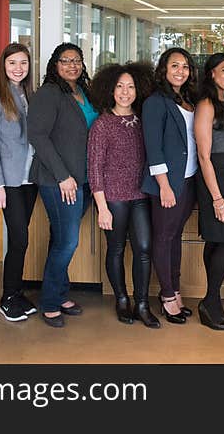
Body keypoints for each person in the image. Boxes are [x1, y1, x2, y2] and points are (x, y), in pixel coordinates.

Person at [28, 43, 98, 328]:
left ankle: (58, 292)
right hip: (60, 181)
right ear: (54, 64)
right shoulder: (49, 93)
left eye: (77, 60)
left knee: (61, 240)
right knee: (68, 241)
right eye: (65, 60)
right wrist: (62, 176)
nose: (72, 65)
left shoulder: (83, 91)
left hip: (84, 178)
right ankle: (49, 302)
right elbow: (38, 136)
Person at [88, 62, 160, 329]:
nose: (125, 92)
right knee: (116, 249)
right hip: (113, 198)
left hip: (140, 194)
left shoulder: (143, 120)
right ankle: (121, 299)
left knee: (143, 248)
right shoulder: (102, 124)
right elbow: (94, 168)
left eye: (130, 87)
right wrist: (102, 208)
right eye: (120, 86)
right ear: (110, 89)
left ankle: (142, 304)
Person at [0, 42, 38, 322]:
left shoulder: (29, 93)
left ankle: (15, 291)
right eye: (13, 63)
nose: (18, 68)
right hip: (10, 181)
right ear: (3, 65)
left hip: (31, 178)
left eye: (23, 63)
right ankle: (8, 297)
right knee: (19, 238)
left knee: (21, 238)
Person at [141, 47, 198, 325]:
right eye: (175, 66)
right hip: (168, 183)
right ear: (164, 69)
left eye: (185, 67)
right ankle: (166, 296)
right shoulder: (155, 101)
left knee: (175, 237)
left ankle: (175, 289)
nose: (180, 71)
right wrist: (164, 186)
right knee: (163, 238)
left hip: (188, 180)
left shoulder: (188, 99)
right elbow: (153, 147)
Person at [193, 53, 224, 331]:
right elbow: (203, 155)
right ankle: (210, 301)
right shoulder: (207, 104)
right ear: (211, 73)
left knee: (217, 240)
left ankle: (211, 302)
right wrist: (217, 197)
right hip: (216, 176)